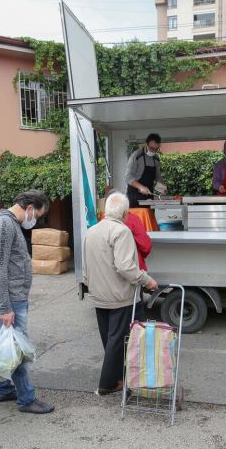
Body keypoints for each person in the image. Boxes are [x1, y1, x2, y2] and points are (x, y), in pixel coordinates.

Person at [0, 190, 54, 414]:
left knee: (9, 344)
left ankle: (5, 388)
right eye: (37, 215)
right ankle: (26, 399)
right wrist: (5, 307)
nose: (35, 220)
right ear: (30, 207)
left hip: (14, 298)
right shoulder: (4, 224)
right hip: (10, 300)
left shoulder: (8, 222)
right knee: (18, 350)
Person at [83, 193, 158, 395]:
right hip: (119, 296)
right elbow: (125, 267)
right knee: (118, 341)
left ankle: (118, 379)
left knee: (109, 340)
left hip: (99, 295)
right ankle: (107, 384)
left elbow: (85, 267)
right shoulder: (121, 231)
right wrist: (146, 280)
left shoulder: (92, 231)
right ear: (125, 213)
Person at [125, 133, 167, 208]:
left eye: (156, 149)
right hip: (134, 196)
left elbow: (158, 177)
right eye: (151, 148)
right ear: (146, 144)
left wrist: (162, 188)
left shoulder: (156, 158)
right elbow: (128, 177)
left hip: (149, 196)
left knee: (148, 218)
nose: (153, 151)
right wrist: (140, 187)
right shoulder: (137, 155)